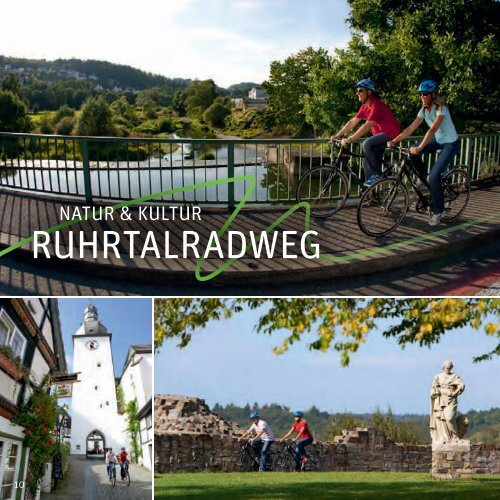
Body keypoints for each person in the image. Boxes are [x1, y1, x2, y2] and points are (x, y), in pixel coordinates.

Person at [387, 80, 460, 226]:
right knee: (411, 152)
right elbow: (411, 128)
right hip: (439, 140)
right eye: (420, 94)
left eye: (425, 94)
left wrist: (420, 147)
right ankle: (422, 177)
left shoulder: (441, 109)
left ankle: (439, 211)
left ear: (433, 94)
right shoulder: (424, 110)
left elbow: (432, 130)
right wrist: (394, 140)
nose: (422, 96)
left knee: (434, 175)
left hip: (450, 143)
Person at [332, 78, 400, 187]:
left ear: (369, 92)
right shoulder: (365, 106)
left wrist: (350, 139)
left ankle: (378, 175)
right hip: (379, 136)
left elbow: (367, 125)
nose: (357, 93)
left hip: (390, 134)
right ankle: (370, 193)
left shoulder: (376, 105)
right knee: (365, 161)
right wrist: (337, 135)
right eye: (357, 91)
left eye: (360, 90)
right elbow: (352, 122)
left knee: (367, 144)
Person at [430, 360, 466, 445]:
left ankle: (455, 437)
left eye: (449, 368)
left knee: (449, 418)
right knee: (440, 419)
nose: (448, 369)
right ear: (443, 367)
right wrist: (434, 392)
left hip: (450, 399)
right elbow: (433, 388)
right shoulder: (438, 377)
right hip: (440, 400)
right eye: (446, 368)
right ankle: (444, 438)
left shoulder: (454, 376)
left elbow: (462, 385)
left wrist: (455, 392)